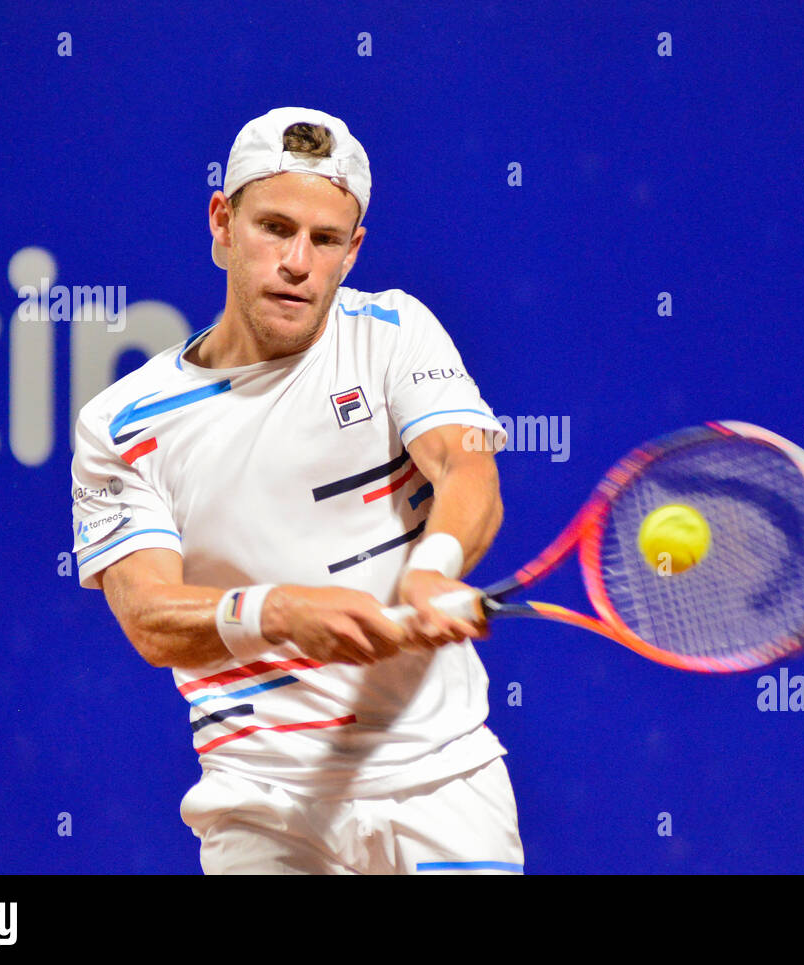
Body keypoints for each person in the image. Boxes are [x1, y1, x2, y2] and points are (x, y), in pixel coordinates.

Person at [69, 107, 523, 875]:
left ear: (353, 252)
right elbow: (148, 617)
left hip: (446, 784)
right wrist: (275, 611)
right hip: (264, 806)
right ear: (222, 222)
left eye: (325, 239)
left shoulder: (396, 331)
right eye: (275, 228)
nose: (298, 262)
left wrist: (432, 564)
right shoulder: (122, 423)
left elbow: (466, 464)